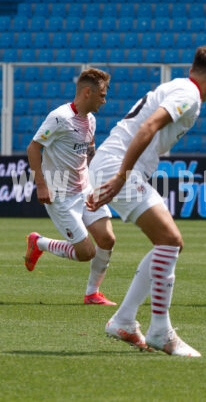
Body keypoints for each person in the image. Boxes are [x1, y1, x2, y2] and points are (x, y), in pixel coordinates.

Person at [86, 44, 206, 357]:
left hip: (116, 164)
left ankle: (124, 320)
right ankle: (159, 330)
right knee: (170, 240)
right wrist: (123, 175)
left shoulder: (176, 85)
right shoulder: (188, 95)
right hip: (119, 167)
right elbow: (149, 126)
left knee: (168, 242)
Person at [24, 68, 117, 305]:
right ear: (88, 92)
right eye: (102, 95)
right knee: (87, 253)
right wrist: (41, 186)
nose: (104, 101)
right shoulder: (60, 117)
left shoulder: (91, 120)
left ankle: (92, 293)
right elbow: (33, 148)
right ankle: (39, 243)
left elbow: (89, 151)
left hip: (84, 190)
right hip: (60, 195)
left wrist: (96, 181)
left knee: (107, 239)